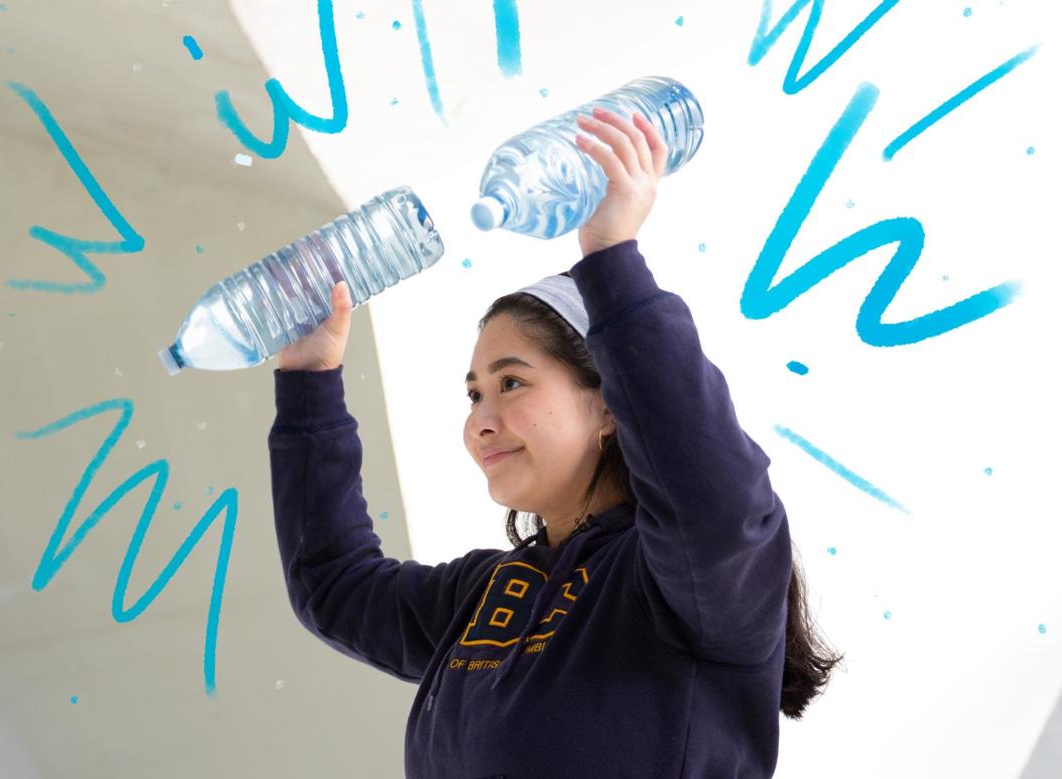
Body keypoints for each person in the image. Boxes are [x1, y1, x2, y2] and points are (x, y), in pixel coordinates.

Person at [268, 108, 842, 778]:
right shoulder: (485, 596)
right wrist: (310, 381)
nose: (481, 419)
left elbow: (713, 495)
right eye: (475, 392)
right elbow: (333, 584)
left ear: (608, 402)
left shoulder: (684, 583)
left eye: (512, 382)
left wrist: (612, 262)